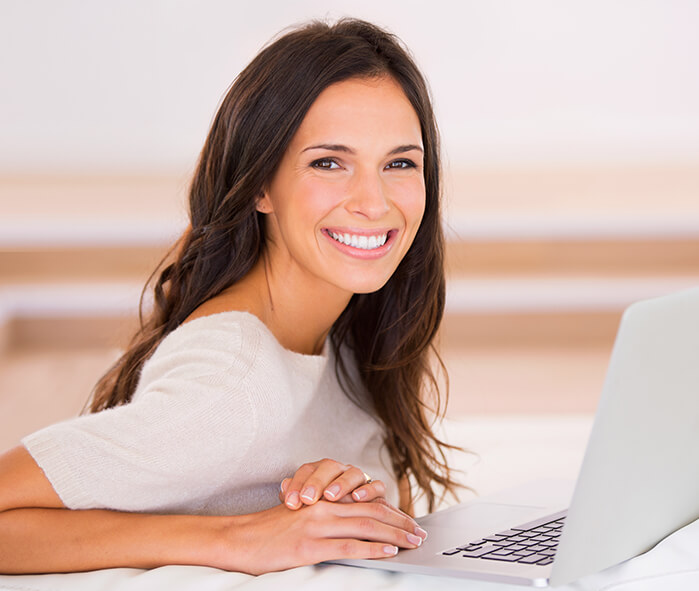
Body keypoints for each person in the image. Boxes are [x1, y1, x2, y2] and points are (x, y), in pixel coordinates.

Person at [0, 17, 461, 575]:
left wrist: (353, 500)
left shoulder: (342, 334)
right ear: (261, 183)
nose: (373, 200)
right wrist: (236, 538)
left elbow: (391, 516)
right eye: (328, 162)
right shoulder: (232, 380)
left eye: (400, 163)